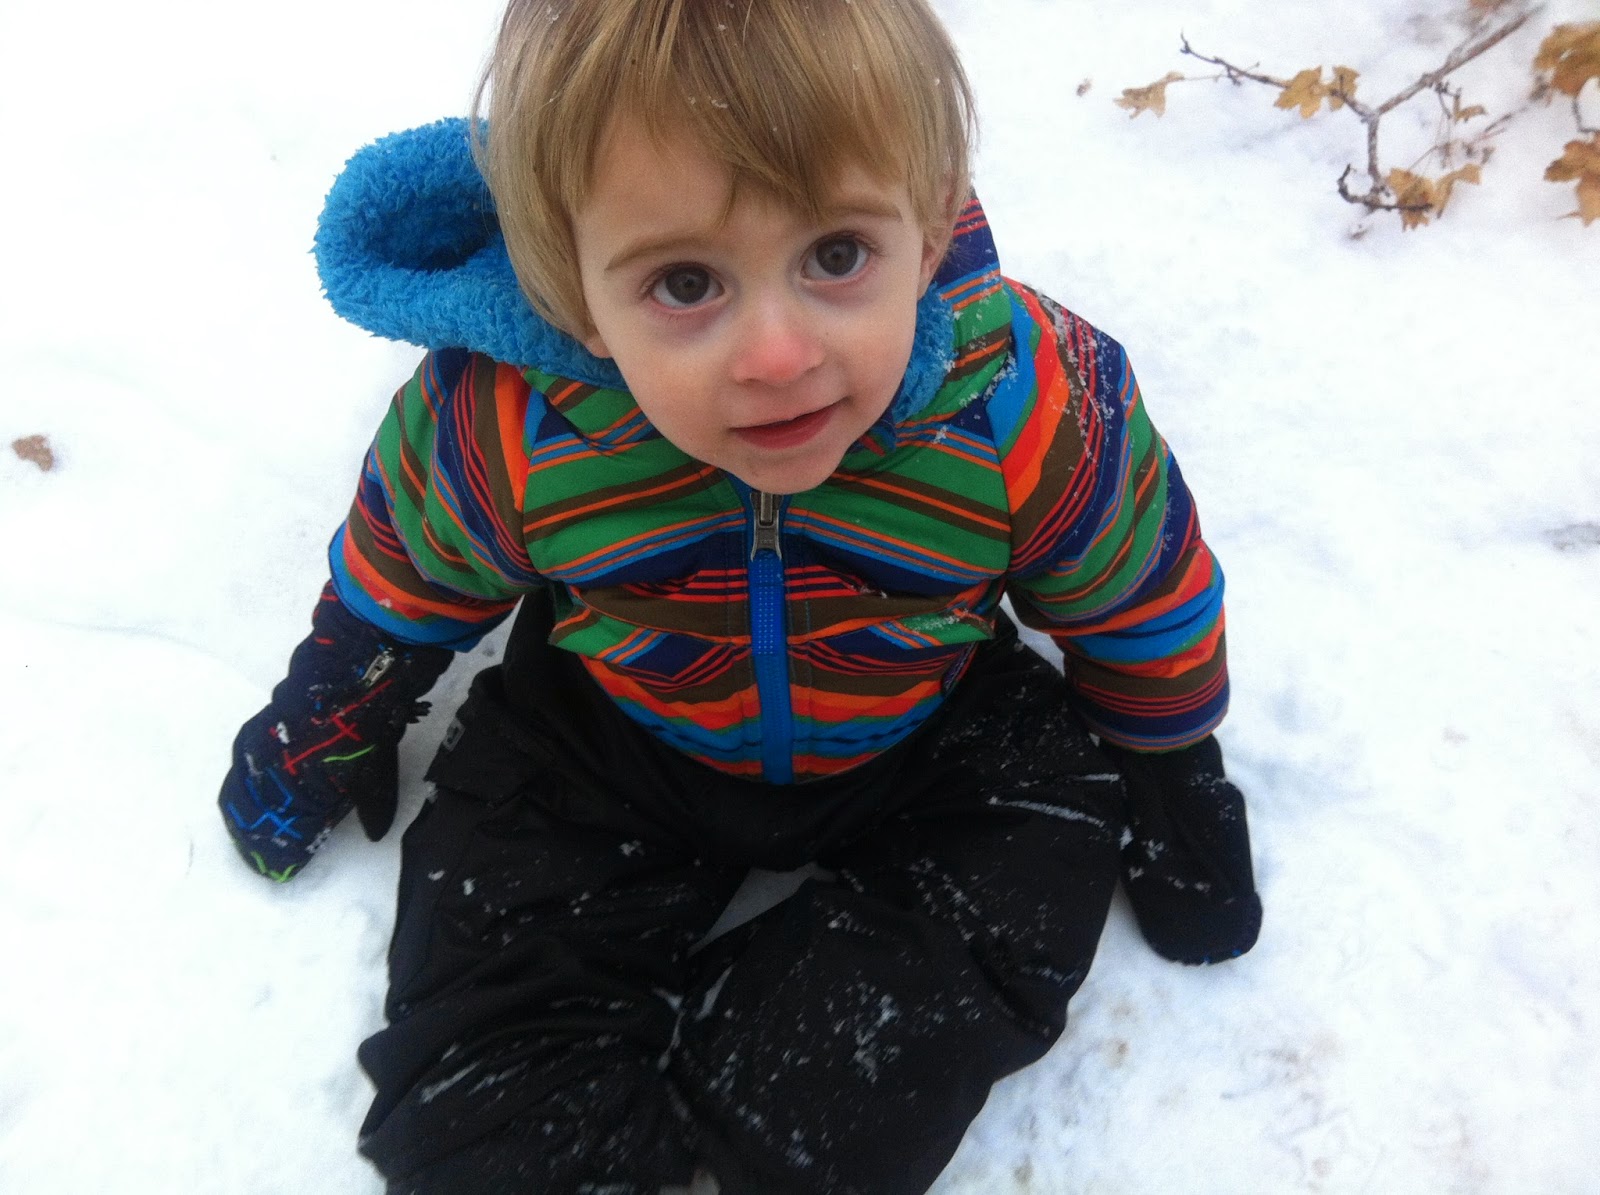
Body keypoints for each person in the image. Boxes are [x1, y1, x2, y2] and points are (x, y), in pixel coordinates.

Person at [217, 1, 1263, 1191]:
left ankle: (767, 1123)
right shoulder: (512, 419)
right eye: (684, 281)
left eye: (836, 256)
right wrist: (335, 705)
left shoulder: (1021, 399)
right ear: (570, 285)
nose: (776, 354)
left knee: (1023, 868)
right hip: (613, 728)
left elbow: (1138, 590)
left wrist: (1173, 770)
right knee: (481, 1037)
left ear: (928, 228)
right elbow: (406, 560)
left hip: (926, 726)